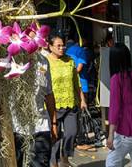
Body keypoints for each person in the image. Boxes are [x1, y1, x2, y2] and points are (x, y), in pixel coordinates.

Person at [14, 50, 59, 167]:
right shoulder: (9, 60)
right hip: (14, 127)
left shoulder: (43, 61)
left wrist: (54, 123)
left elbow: (48, 94)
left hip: (40, 126)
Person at [47, 34, 87, 167]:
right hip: (54, 105)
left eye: (63, 45)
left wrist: (82, 99)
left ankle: (65, 158)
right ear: (50, 46)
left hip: (71, 103)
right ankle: (54, 163)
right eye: (58, 46)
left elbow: (76, 82)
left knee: (71, 132)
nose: (62, 48)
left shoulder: (70, 60)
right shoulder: (46, 62)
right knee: (55, 136)